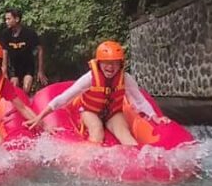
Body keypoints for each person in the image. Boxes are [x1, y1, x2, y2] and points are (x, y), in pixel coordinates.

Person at [25, 40, 171, 145]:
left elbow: (139, 100)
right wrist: (40, 117)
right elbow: (64, 97)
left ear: (121, 64)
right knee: (97, 130)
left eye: (115, 63)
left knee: (126, 136)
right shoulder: (90, 78)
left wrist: (155, 117)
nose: (111, 67)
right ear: (99, 62)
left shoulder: (125, 78)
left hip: (113, 113)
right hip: (90, 111)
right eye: (106, 62)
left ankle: (135, 166)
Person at [0, 8, 47, 93]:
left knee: (26, 89)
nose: (6, 21)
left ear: (17, 19)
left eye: (8, 19)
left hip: (28, 65)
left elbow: (40, 49)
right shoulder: (5, 34)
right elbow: (4, 51)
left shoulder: (29, 33)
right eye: (5, 19)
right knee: (14, 89)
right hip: (13, 67)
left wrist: (40, 71)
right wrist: (4, 70)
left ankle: (26, 101)